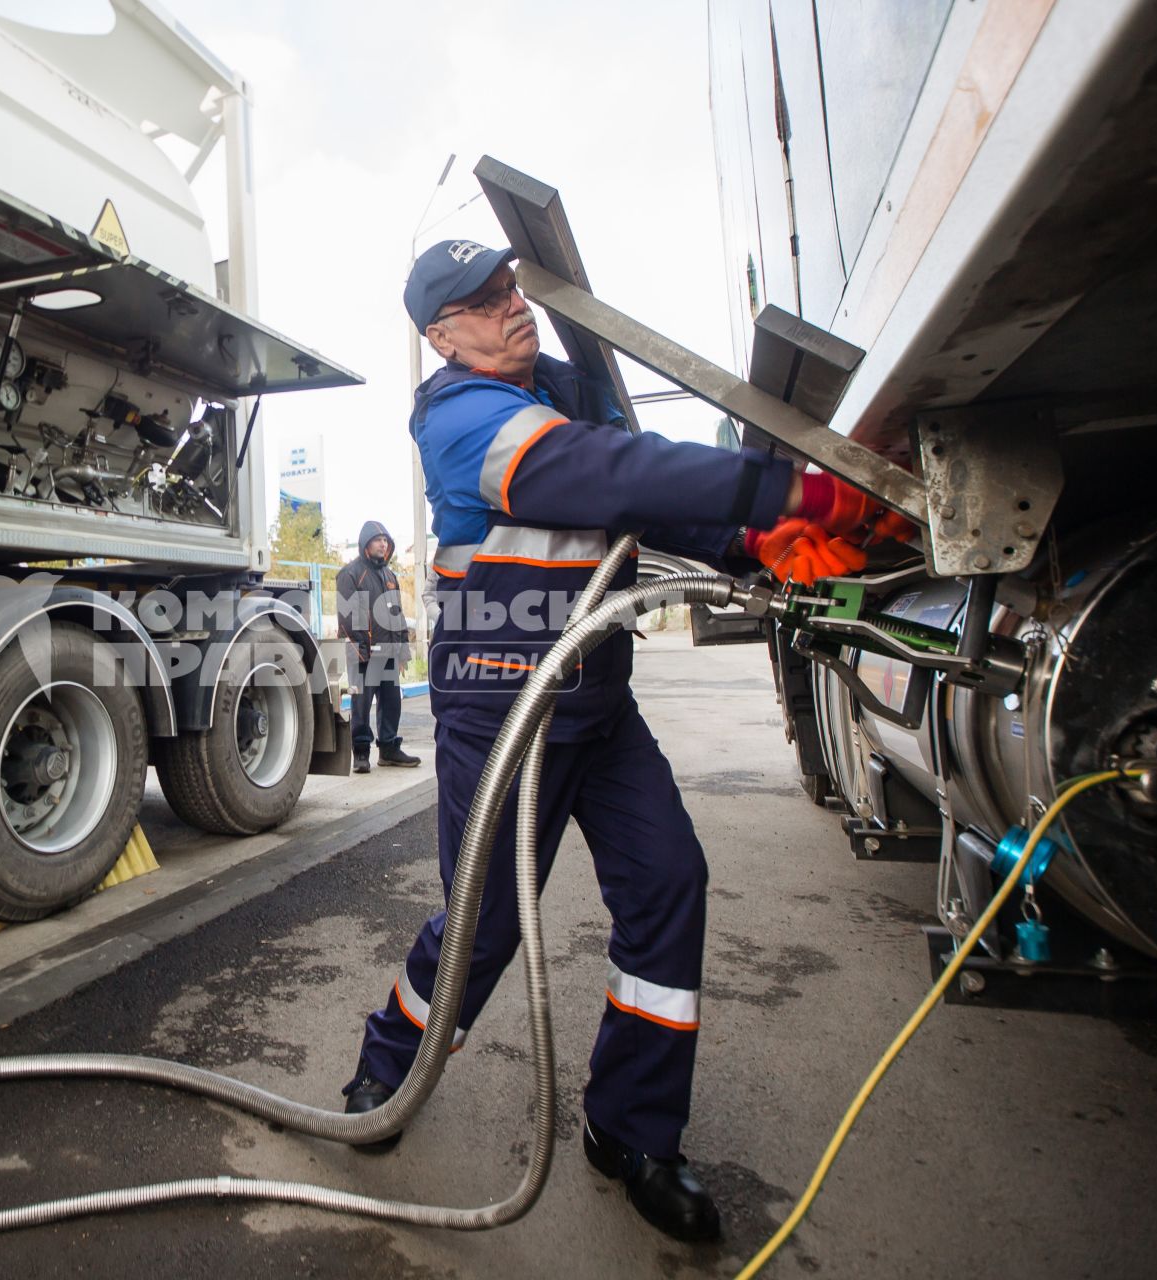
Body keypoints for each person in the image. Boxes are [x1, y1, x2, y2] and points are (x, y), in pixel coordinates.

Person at [340, 239, 893, 1243]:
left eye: (511, 286)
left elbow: (638, 504)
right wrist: (784, 493)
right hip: (503, 704)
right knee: (486, 921)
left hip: (598, 697)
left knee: (669, 878)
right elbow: (600, 470)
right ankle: (388, 1065)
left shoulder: (562, 387)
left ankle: (630, 1127)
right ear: (439, 337)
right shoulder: (460, 417)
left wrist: (755, 543)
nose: (511, 306)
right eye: (481, 301)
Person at [335, 520, 421, 773]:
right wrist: (360, 651)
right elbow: (347, 616)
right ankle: (361, 753)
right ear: (365, 544)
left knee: (392, 702)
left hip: (389, 653)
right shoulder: (350, 573)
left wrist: (403, 651)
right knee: (361, 704)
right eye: (378, 540)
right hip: (364, 653)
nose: (383, 544)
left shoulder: (390, 576)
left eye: (386, 540)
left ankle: (389, 749)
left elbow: (397, 615)